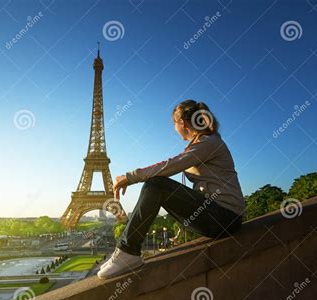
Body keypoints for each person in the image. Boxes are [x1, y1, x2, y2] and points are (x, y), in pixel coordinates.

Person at [97, 100, 246, 279]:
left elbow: (171, 165)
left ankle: (128, 251)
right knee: (156, 185)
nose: (174, 129)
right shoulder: (205, 143)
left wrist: (130, 177)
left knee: (156, 184)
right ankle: (127, 251)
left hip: (224, 217)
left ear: (181, 123)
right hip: (220, 216)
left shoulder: (209, 143)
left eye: (174, 124)